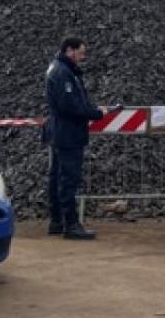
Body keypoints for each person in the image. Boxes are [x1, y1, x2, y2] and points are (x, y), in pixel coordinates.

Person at [43, 37, 117, 240]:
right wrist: (96, 113)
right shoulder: (63, 74)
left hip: (60, 132)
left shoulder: (59, 69)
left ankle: (57, 221)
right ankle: (71, 224)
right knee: (68, 179)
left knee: (57, 177)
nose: (83, 57)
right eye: (81, 53)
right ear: (70, 51)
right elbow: (71, 106)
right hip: (68, 134)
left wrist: (91, 109)